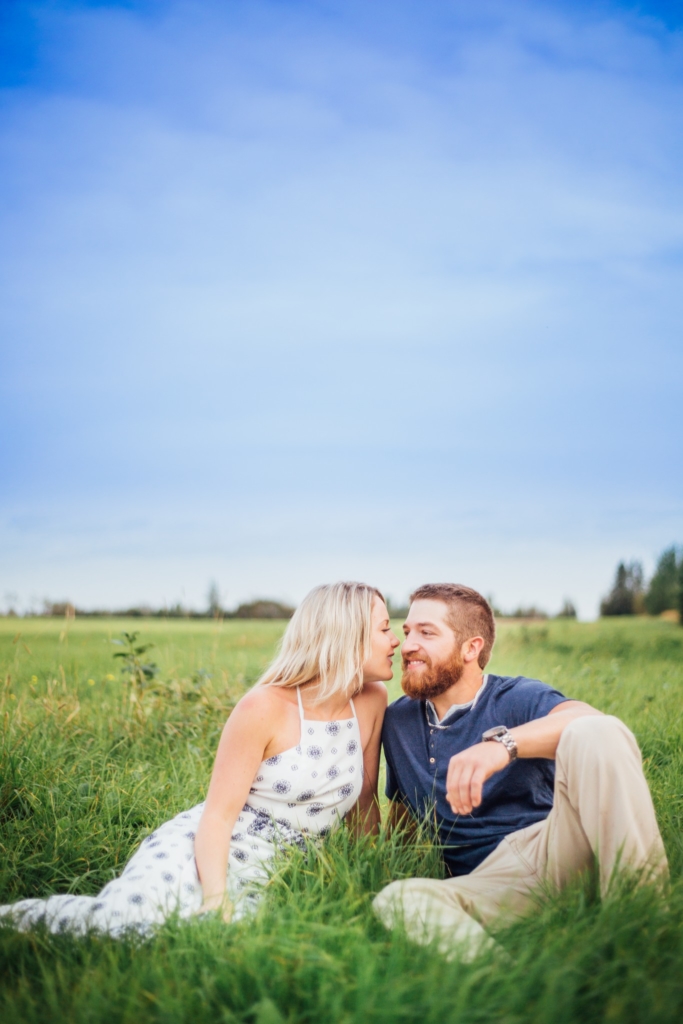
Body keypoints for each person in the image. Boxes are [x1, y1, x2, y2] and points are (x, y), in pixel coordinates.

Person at [0, 582, 397, 936]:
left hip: (281, 868)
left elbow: (364, 802)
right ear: (348, 637)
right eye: (384, 629)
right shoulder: (263, 707)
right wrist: (215, 898)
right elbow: (218, 815)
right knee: (122, 924)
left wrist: (370, 879)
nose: (395, 641)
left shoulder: (370, 701)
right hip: (206, 851)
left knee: (209, 937)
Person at [373, 583, 667, 958]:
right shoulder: (397, 722)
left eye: (426, 633)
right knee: (397, 899)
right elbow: (404, 816)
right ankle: (511, 981)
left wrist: (503, 746)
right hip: (488, 884)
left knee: (598, 731)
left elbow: (588, 720)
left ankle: (644, 928)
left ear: (470, 648)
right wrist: (389, 866)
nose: (408, 645)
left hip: (556, 850)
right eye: (407, 631)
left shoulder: (516, 696)